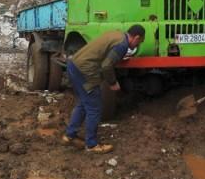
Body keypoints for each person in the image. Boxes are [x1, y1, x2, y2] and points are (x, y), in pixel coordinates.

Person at [62, 25, 146, 153]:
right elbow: (106, 66)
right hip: (85, 71)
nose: (137, 45)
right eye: (139, 42)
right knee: (94, 107)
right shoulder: (122, 45)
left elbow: (105, 54)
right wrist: (113, 83)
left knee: (83, 104)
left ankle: (69, 135)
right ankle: (92, 144)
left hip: (74, 65)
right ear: (136, 37)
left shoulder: (116, 34)